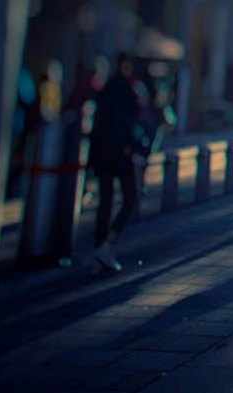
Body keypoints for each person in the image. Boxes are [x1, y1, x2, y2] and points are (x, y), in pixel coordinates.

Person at [87, 53, 143, 272]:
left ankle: (100, 249)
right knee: (130, 198)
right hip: (121, 154)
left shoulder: (106, 90)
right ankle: (107, 245)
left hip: (103, 154)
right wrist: (133, 147)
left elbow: (97, 124)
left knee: (106, 202)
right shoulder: (129, 91)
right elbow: (131, 123)